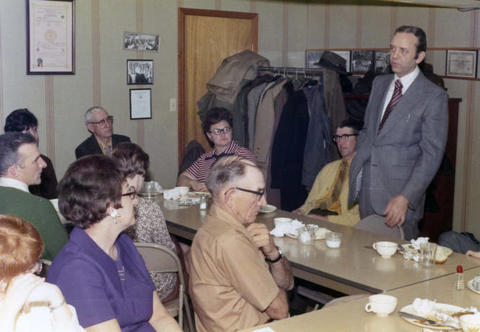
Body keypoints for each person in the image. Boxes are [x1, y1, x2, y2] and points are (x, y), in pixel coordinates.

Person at [46, 155, 181, 332]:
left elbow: (159, 316)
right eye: (130, 193)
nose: (136, 200)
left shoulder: (123, 244)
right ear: (110, 207)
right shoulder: (76, 270)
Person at [348, 25, 448, 240]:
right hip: (368, 189)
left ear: (419, 56)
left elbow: (431, 155)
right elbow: (368, 132)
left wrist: (406, 197)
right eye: (392, 49)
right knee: (364, 261)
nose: (394, 56)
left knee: (397, 267)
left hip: (399, 197)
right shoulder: (379, 83)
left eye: (403, 50)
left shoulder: (433, 96)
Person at [189, 156, 294, 332]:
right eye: (258, 194)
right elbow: (280, 310)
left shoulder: (211, 227)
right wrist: (272, 286)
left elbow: (287, 284)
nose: (264, 203)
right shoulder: (231, 240)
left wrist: (273, 253)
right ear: (230, 196)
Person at [112, 142, 178, 302]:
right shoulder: (150, 208)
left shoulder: (106, 204)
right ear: (139, 174)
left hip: (118, 281)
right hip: (152, 285)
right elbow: (167, 250)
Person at [0, 214, 84, 332]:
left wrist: (58, 303)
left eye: (34, 266)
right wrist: (9, 312)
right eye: (25, 270)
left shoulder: (37, 299)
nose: (31, 277)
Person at [0, 133, 68, 260]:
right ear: (14, 170)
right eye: (36, 160)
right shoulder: (38, 206)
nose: (43, 164)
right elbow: (64, 257)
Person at [294, 119, 360, 226]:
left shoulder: (365, 173)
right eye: (337, 137)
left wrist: (325, 220)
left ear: (359, 139)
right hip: (315, 216)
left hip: (339, 224)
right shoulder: (328, 169)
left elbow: (359, 219)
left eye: (345, 137)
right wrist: (300, 211)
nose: (340, 142)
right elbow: (310, 202)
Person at [177, 107, 256, 192]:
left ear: (231, 131)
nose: (223, 134)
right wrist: (192, 183)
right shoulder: (204, 158)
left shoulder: (243, 155)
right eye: (217, 131)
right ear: (209, 136)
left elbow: (249, 183)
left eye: (226, 129)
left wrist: (213, 188)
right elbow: (182, 179)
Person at [4, 108, 58, 199]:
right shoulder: (4, 164)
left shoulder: (45, 163)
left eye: (35, 129)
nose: (34, 136)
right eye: (26, 132)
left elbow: (53, 198)